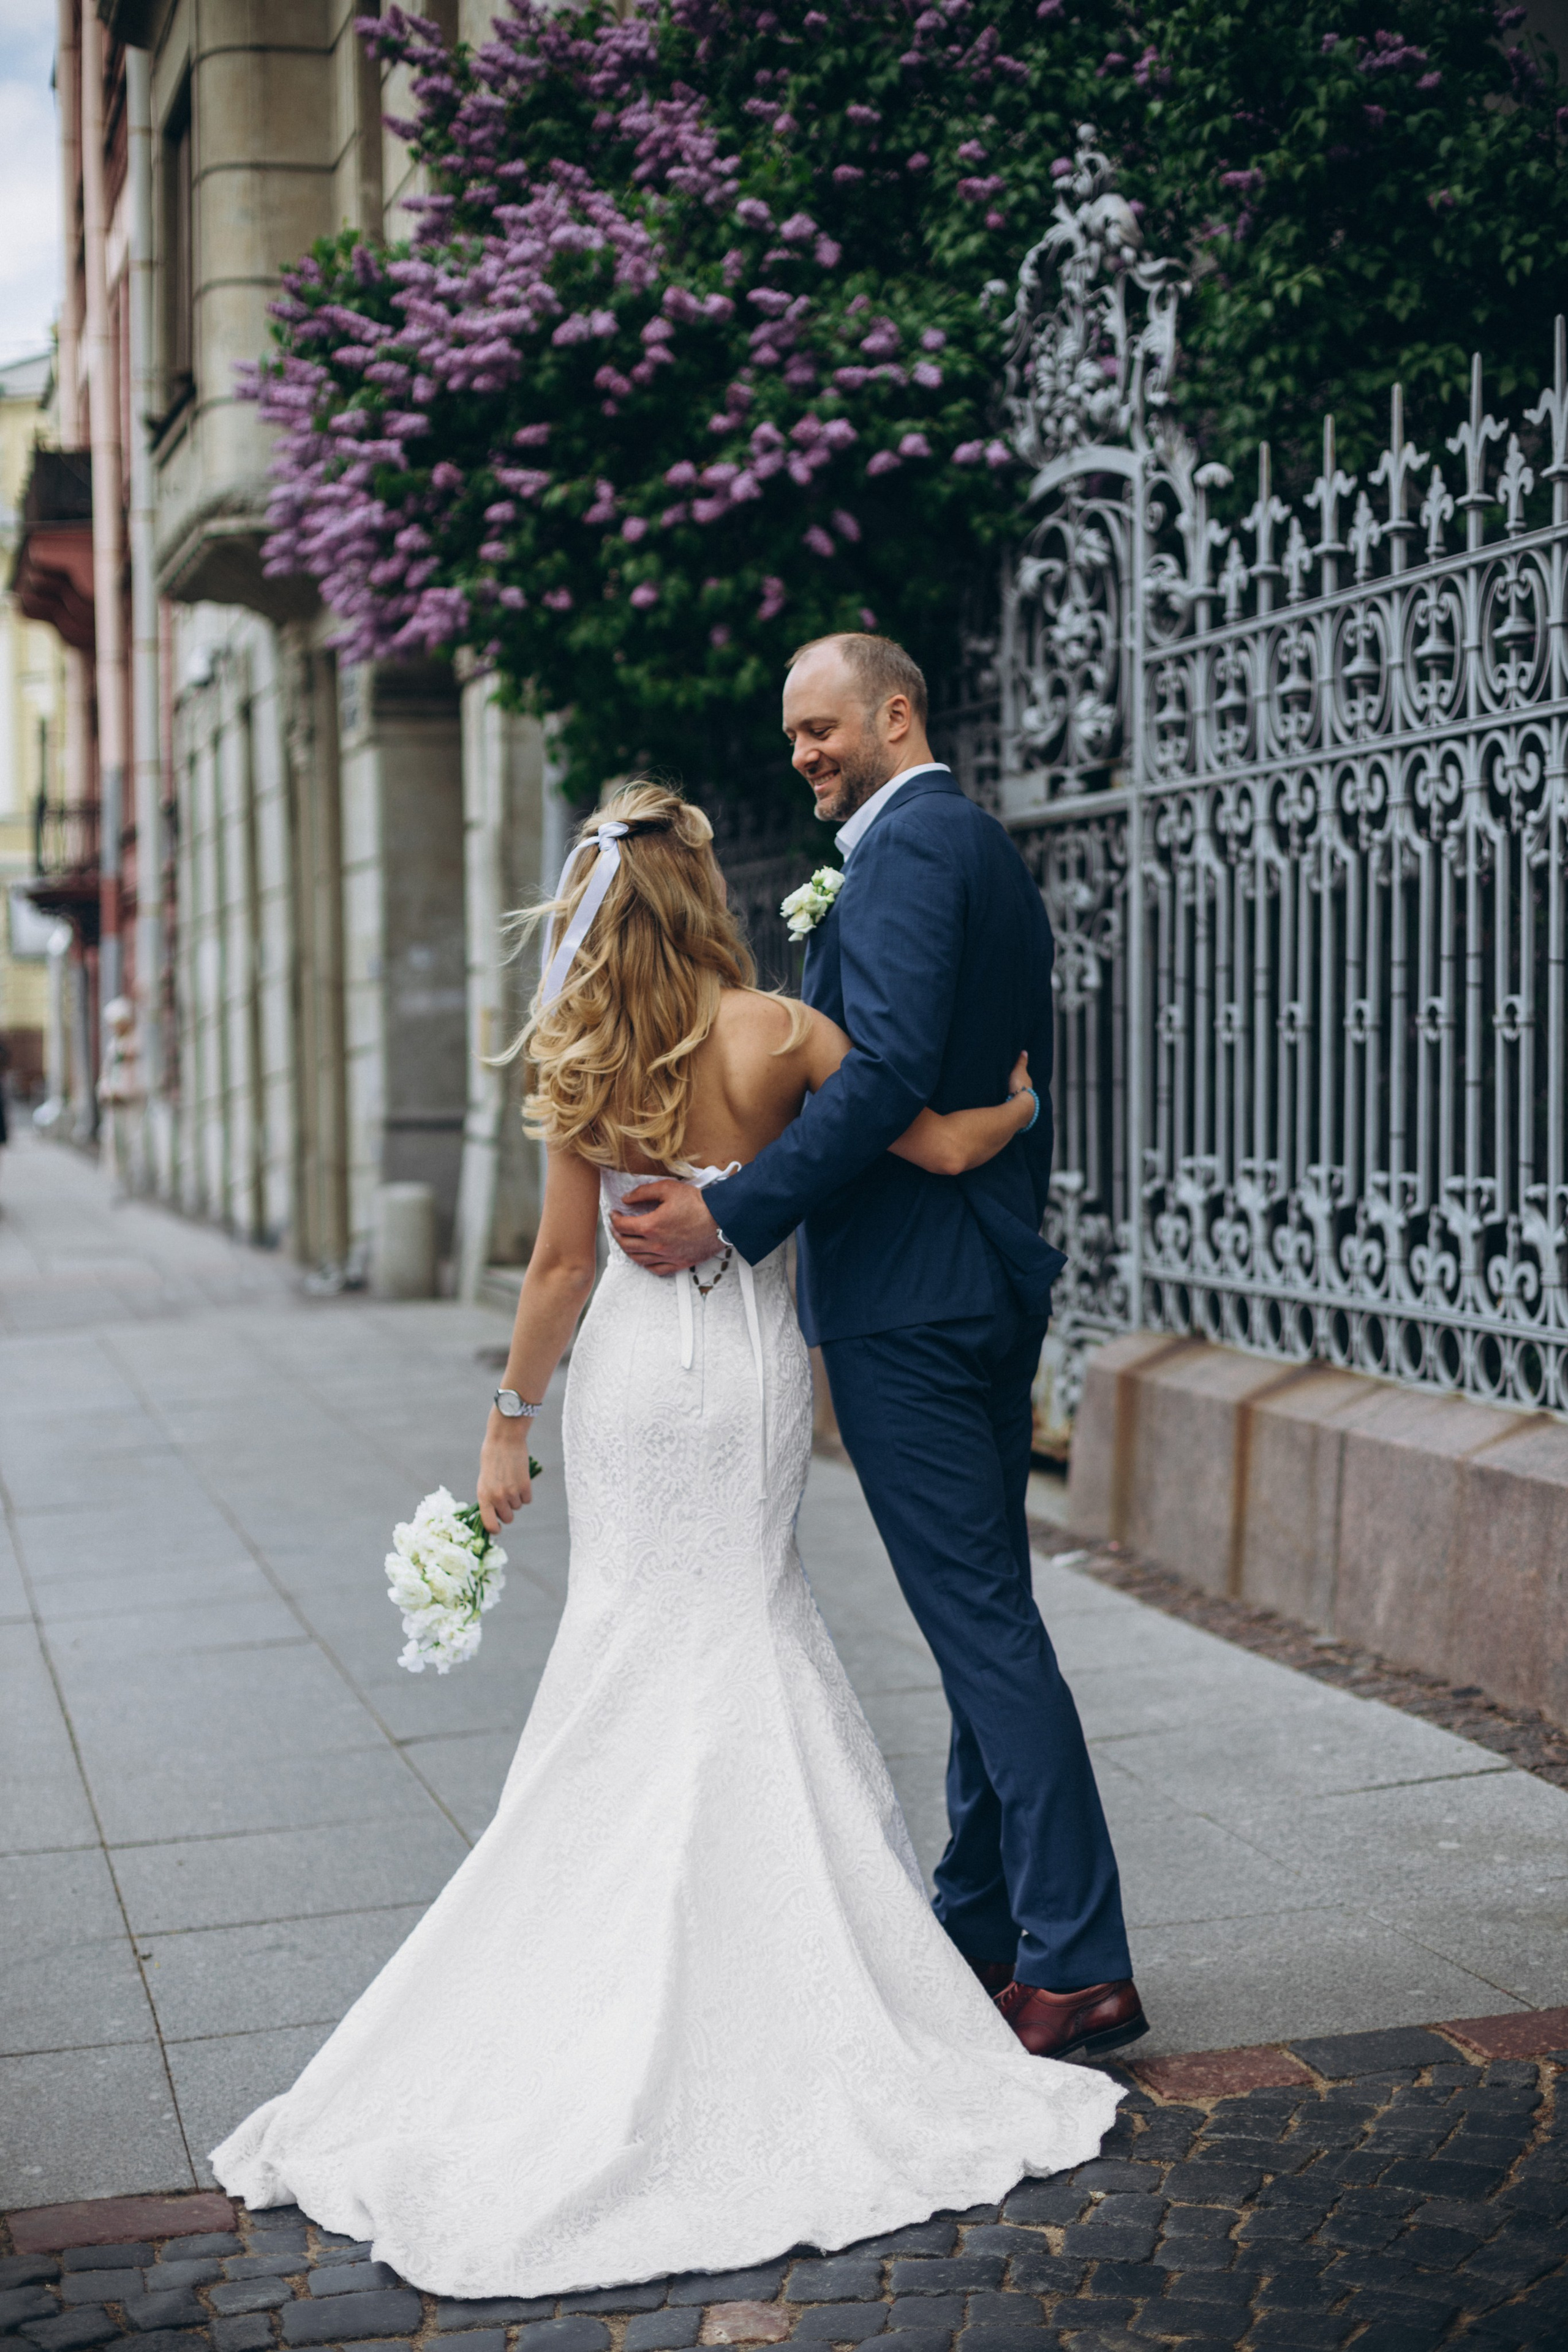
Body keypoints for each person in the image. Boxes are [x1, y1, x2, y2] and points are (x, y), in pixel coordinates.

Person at [209, 780, 1120, 2297]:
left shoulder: (581, 1050)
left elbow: (564, 1266)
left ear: (589, 914)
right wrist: (1017, 1109)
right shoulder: (773, 1032)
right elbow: (930, 1144)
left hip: (631, 1385)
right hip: (750, 1376)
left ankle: (586, 1969)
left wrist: (506, 1419)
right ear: (702, 897)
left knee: (627, 1639)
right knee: (746, 1620)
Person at [612, 634, 1144, 2064]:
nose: (804, 752)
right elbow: (941, 1076)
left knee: (979, 1620)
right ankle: (976, 1923)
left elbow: (887, 1071)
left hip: (912, 1299)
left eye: (822, 725)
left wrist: (732, 1215)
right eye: (791, 734)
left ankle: (1077, 1959)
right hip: (971, 1277)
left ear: (894, 711)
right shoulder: (971, 851)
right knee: (985, 1610)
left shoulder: (911, 851)